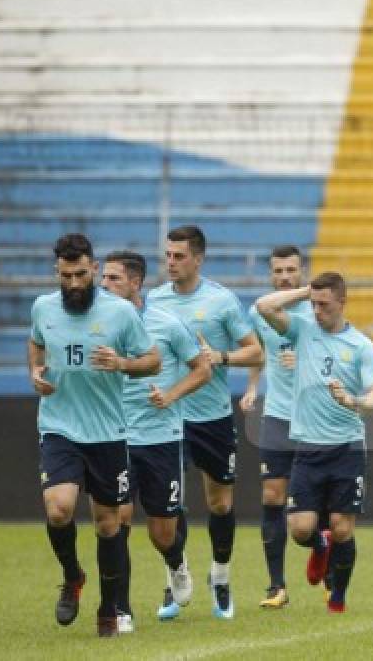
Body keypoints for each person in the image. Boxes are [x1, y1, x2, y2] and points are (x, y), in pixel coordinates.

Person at [29, 233, 160, 637]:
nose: (73, 284)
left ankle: (108, 609)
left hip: (106, 433)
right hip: (59, 427)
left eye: (81, 274)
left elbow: (152, 361)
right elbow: (36, 345)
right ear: (57, 271)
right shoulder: (43, 308)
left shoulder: (120, 313)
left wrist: (121, 363)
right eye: (66, 275)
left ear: (95, 269)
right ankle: (72, 576)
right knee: (58, 509)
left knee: (108, 525)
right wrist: (35, 372)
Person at [148, 225, 263, 619]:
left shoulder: (222, 301)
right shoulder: (155, 300)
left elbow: (256, 352)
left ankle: (221, 576)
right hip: (167, 417)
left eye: (179, 256)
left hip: (212, 418)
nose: (171, 263)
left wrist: (222, 358)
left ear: (198, 258)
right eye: (168, 256)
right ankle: (173, 579)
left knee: (219, 502)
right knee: (170, 504)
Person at [256, 272, 373, 613]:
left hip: (347, 449)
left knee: (343, 528)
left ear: (342, 303)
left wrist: (353, 402)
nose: (316, 311)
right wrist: (306, 291)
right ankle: (320, 543)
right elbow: (264, 306)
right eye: (313, 304)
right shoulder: (302, 331)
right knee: (300, 529)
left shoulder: (361, 346)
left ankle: (338, 597)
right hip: (307, 448)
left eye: (324, 304)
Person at [101, 251, 210, 631]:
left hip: (161, 438)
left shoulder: (166, 324)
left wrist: (172, 395)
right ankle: (121, 609)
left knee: (163, 532)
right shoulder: (96, 325)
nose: (104, 285)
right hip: (114, 437)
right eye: (104, 278)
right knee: (118, 520)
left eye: (114, 279)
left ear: (136, 283)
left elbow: (202, 369)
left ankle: (176, 563)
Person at [240, 245, 312, 609]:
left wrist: (304, 360)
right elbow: (259, 353)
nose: (284, 276)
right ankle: (276, 586)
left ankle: (326, 559)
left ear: (302, 272)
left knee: (316, 510)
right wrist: (254, 386)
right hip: (278, 415)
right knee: (272, 496)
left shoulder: (317, 310)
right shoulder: (258, 311)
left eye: (291, 270)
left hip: (317, 418)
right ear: (271, 274)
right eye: (278, 271)